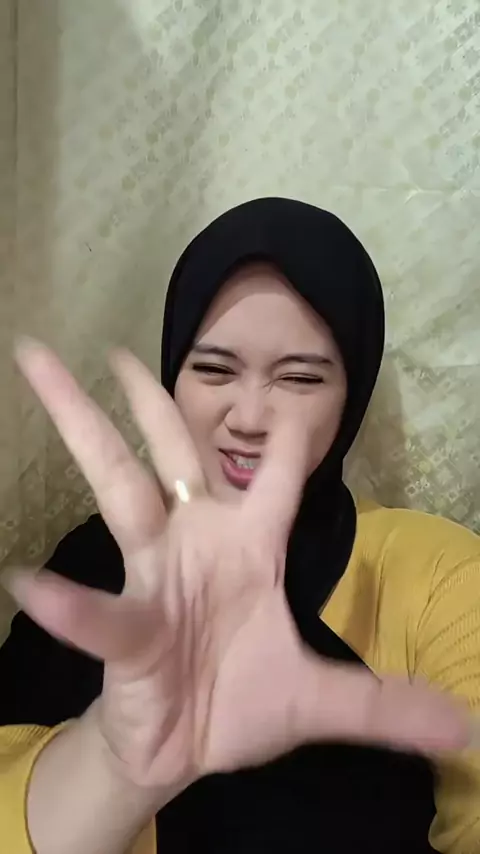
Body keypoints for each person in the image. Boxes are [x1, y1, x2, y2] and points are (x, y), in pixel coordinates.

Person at [0, 197, 479, 854]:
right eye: (214, 369)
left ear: (355, 392)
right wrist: (116, 762)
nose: (249, 418)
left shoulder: (437, 575)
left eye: (300, 379)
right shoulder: (92, 573)